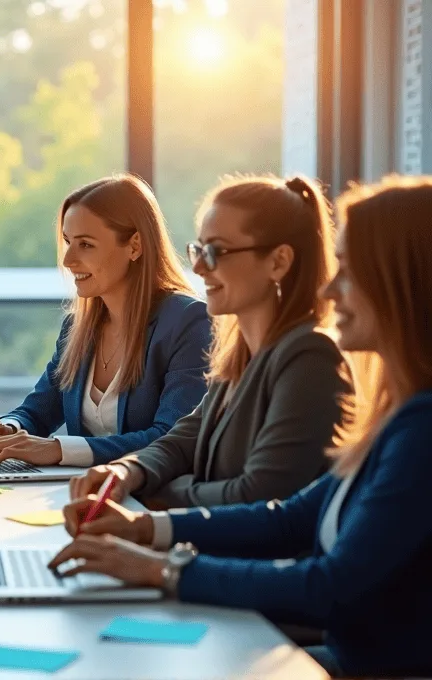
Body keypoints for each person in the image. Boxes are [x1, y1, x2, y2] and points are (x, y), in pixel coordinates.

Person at [49, 175, 432, 678]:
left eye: (351, 272)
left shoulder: (409, 423)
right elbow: (287, 513)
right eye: (199, 249)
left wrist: (159, 557)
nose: (330, 288)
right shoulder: (389, 415)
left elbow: (317, 570)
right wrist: (139, 513)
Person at [70, 175, 353, 509]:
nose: (200, 267)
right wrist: (125, 471)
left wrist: (153, 496)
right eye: (199, 249)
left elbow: (257, 495)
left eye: (217, 251)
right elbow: (182, 440)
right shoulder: (241, 356)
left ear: (278, 261)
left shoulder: (309, 359)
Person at [0, 174, 211, 468]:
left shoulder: (188, 321)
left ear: (134, 246)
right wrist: (8, 429)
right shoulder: (77, 328)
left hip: (150, 501)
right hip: (81, 495)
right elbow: (38, 412)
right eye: (68, 242)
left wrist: (59, 450)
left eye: (85, 245)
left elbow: (171, 438)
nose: (68, 260)